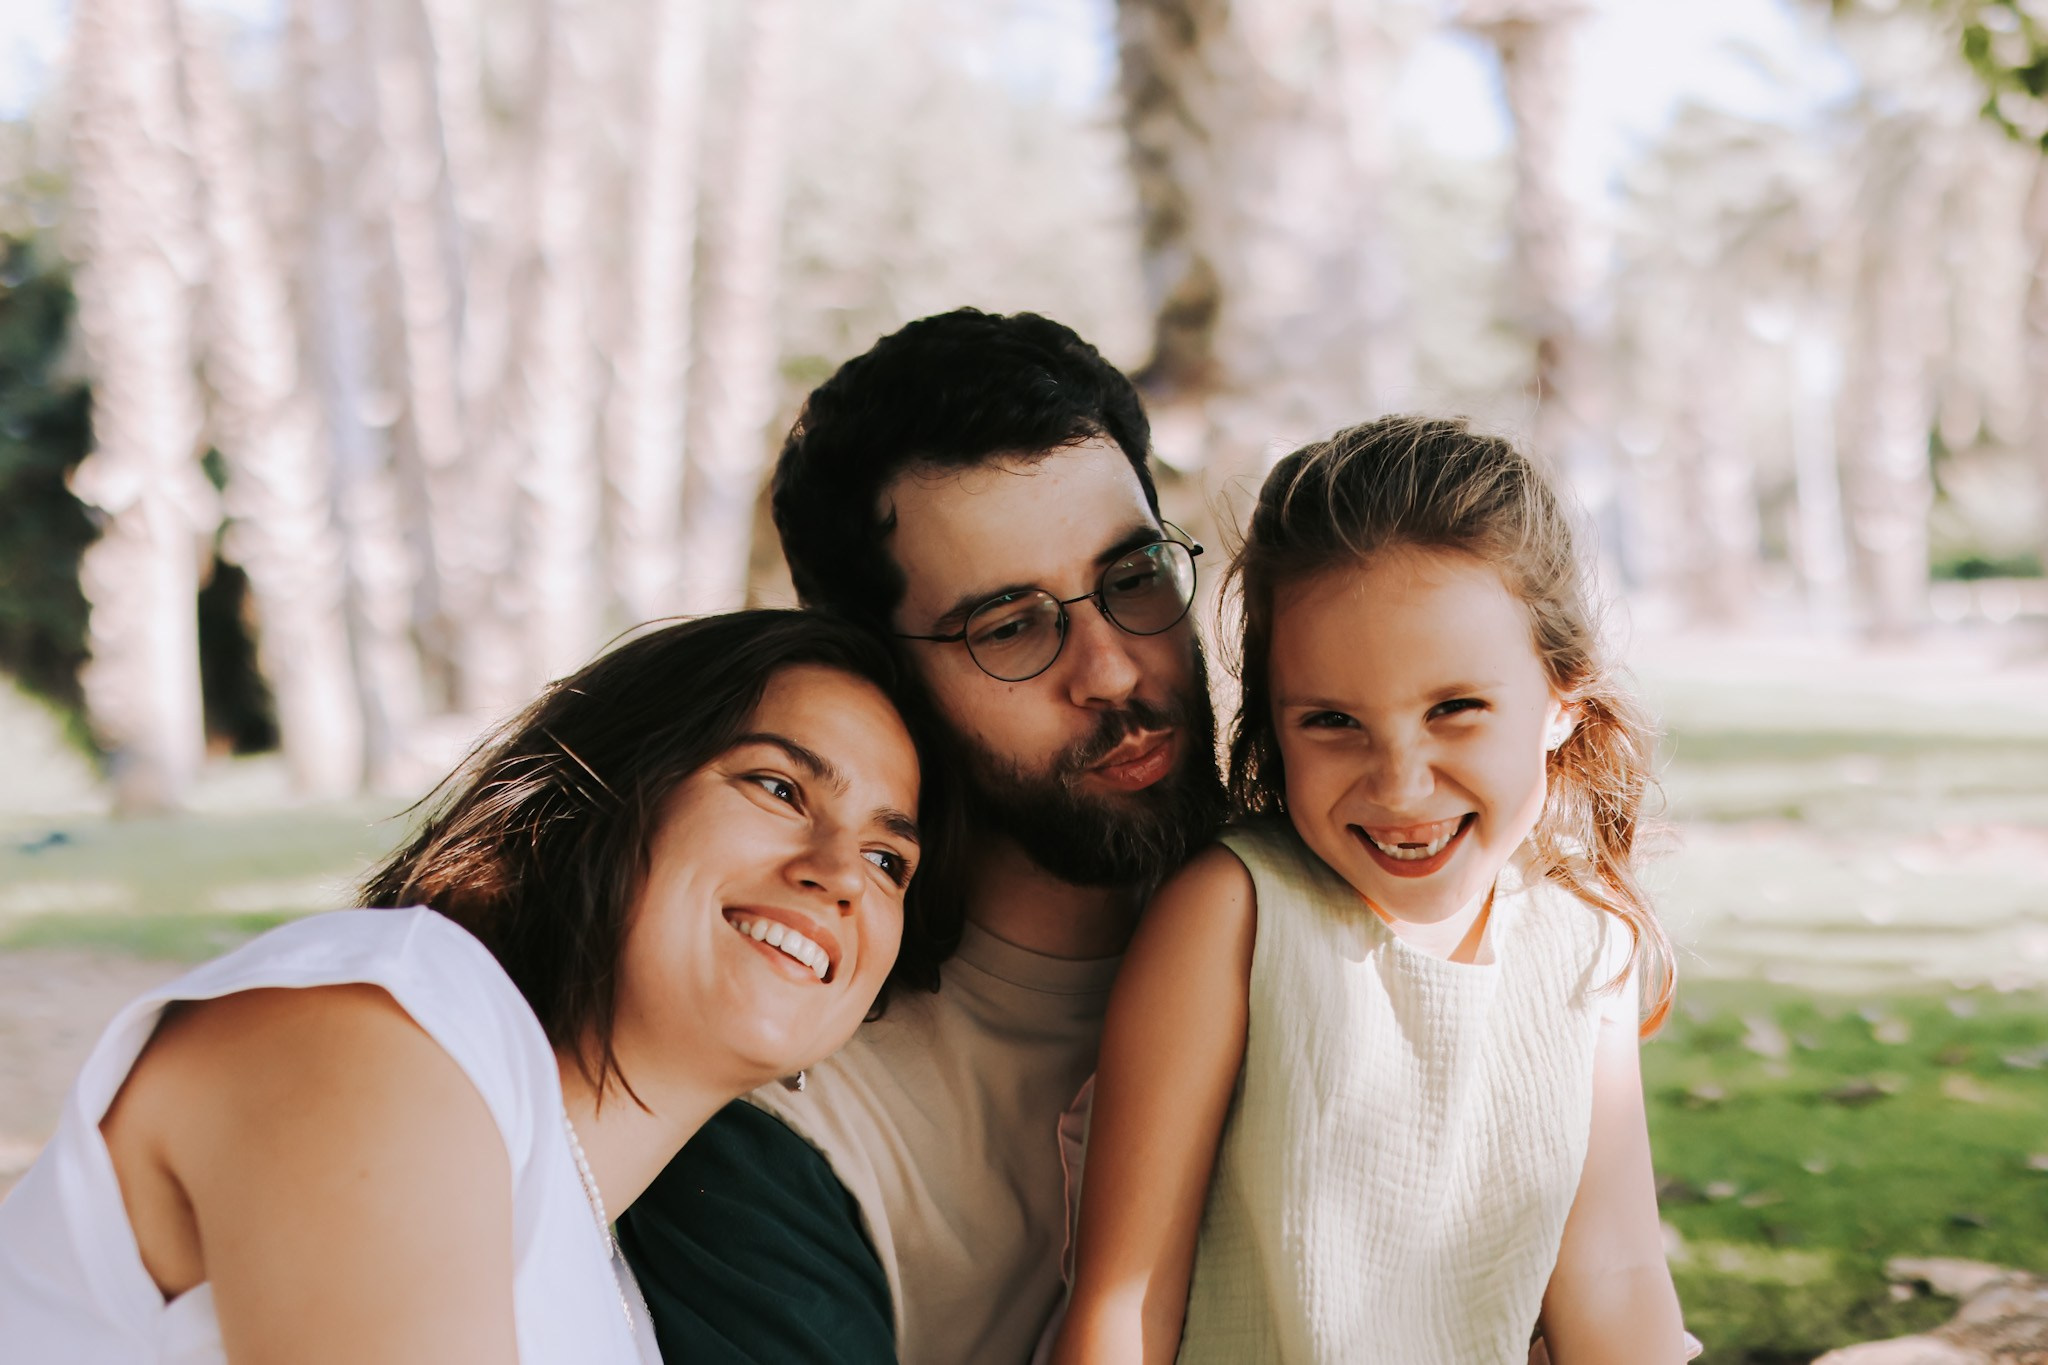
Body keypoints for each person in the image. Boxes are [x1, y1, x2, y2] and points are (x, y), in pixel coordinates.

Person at [0, 610, 941, 1365]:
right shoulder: (383, 1022)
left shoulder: (616, 1304)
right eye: (778, 787)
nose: (842, 872)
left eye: (888, 856)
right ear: (605, 792)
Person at [620, 309, 1228, 1364]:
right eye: (1011, 627)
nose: (1113, 671)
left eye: (1133, 578)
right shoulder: (784, 1116)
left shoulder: (1327, 913)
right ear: (882, 674)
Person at [1052, 416, 1695, 1365]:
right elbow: (1127, 1304)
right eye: (1333, 721)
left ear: (1563, 698)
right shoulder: (1236, 913)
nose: (1399, 783)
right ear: (1274, 723)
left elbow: (1617, 1279)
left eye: (1455, 709)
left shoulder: (1585, 941)